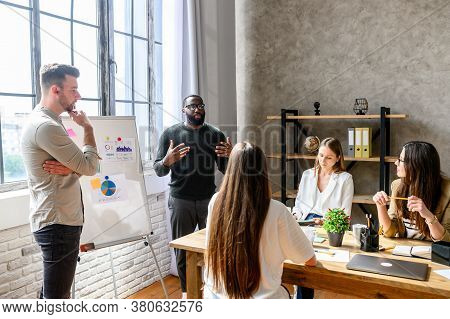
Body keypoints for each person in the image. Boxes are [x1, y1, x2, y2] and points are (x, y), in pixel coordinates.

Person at [20, 63, 100, 298]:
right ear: (56, 90)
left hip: (57, 220)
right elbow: (90, 165)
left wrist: (74, 169)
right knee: (57, 300)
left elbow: (82, 165)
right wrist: (87, 128)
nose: (79, 95)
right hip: (58, 225)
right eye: (73, 89)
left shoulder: (46, 120)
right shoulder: (47, 126)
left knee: (51, 294)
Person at [204, 142, 316, 299]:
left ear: (231, 169)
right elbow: (309, 259)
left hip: (216, 297)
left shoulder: (215, 201)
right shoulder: (277, 210)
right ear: (263, 171)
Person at [153, 94, 232, 297]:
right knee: (183, 249)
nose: (197, 109)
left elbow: (226, 169)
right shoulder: (171, 134)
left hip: (208, 199)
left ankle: (212, 291)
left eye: (201, 106)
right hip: (181, 200)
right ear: (183, 110)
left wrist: (231, 157)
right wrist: (166, 161)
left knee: (213, 248)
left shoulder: (215, 134)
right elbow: (158, 170)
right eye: (192, 106)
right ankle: (188, 294)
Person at [292, 137, 353, 299]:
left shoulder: (345, 179)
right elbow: (298, 205)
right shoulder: (307, 175)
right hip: (305, 224)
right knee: (302, 264)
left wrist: (326, 222)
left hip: (328, 228)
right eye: (320, 155)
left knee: (311, 264)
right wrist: (295, 216)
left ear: (338, 158)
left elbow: (345, 215)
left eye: (329, 157)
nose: (323, 161)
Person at [373, 141, 449, 241]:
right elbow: (390, 232)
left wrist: (428, 215)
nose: (396, 163)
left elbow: (446, 239)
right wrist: (380, 206)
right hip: (402, 251)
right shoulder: (397, 185)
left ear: (417, 165)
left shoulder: (447, 190)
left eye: (400, 160)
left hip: (431, 252)